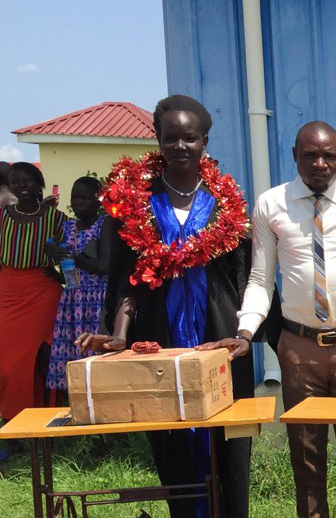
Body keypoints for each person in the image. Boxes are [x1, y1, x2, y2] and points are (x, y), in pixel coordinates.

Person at [75, 95, 255, 518]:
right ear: (157, 139)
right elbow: (127, 278)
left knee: (229, 449)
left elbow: (247, 278)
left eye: (189, 138)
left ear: (204, 141)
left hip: (219, 338)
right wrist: (120, 333)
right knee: (172, 447)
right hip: (160, 340)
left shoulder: (226, 202)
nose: (179, 146)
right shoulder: (137, 202)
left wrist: (247, 333)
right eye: (169, 137)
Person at [232, 121, 336, 518]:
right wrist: (245, 331)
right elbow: (260, 279)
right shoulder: (271, 205)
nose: (320, 163)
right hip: (299, 349)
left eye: (329, 155)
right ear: (295, 156)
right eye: (310, 155)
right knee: (306, 456)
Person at [0, 162, 66, 461]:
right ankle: (11, 424)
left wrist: (62, 277)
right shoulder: (1, 217)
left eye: (28, 179)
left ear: (40, 183)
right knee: (7, 365)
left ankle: (44, 423)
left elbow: (69, 258)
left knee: (41, 361)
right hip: (6, 293)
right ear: (10, 186)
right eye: (17, 181)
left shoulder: (57, 218)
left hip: (42, 292)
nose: (23, 184)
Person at [45, 177, 111, 405]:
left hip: (96, 299)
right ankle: (78, 406)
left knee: (95, 353)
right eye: (75, 197)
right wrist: (54, 256)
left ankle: (102, 407)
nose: (78, 202)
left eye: (85, 197)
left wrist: (74, 259)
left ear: (98, 200)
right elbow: (65, 266)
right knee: (72, 351)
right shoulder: (67, 227)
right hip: (72, 297)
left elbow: (105, 266)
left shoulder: (105, 224)